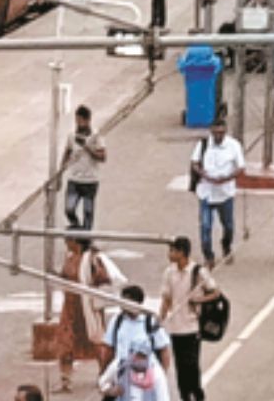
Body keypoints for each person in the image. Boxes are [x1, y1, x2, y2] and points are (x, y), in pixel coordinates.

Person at [159, 237, 219, 401]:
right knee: (180, 366)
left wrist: (199, 300)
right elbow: (166, 299)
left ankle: (197, 394)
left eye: (173, 251)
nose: (169, 254)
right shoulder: (169, 272)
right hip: (176, 327)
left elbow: (215, 292)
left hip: (192, 327)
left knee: (191, 364)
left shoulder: (198, 272)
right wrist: (160, 320)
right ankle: (185, 396)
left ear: (182, 252)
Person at [55, 238, 112, 392]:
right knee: (65, 342)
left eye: (68, 240)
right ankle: (65, 380)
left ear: (76, 241)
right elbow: (63, 277)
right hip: (71, 306)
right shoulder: (69, 258)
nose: (66, 243)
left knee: (97, 341)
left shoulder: (92, 258)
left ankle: (104, 375)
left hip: (88, 307)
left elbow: (105, 279)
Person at [100, 286, 172, 401]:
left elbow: (164, 349)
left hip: (145, 375)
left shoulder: (150, 322)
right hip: (122, 372)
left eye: (126, 301)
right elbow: (108, 349)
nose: (122, 305)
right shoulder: (117, 321)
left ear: (137, 302)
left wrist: (162, 373)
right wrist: (106, 376)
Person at [190, 121, 245, 269]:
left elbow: (240, 167)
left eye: (221, 133)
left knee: (228, 225)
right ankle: (208, 256)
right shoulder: (203, 144)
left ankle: (226, 245)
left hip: (225, 193)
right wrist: (204, 175)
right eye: (215, 133)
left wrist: (226, 178)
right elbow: (194, 163)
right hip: (206, 192)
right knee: (205, 226)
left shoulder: (233, 146)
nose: (218, 136)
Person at [62, 105, 106, 230]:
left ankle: (85, 240)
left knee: (88, 212)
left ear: (87, 120)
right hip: (74, 179)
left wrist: (87, 148)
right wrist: (61, 170)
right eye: (77, 121)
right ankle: (76, 228)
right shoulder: (72, 136)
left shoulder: (96, 136)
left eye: (81, 121)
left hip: (90, 181)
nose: (78, 124)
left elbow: (102, 157)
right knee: (69, 209)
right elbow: (67, 151)